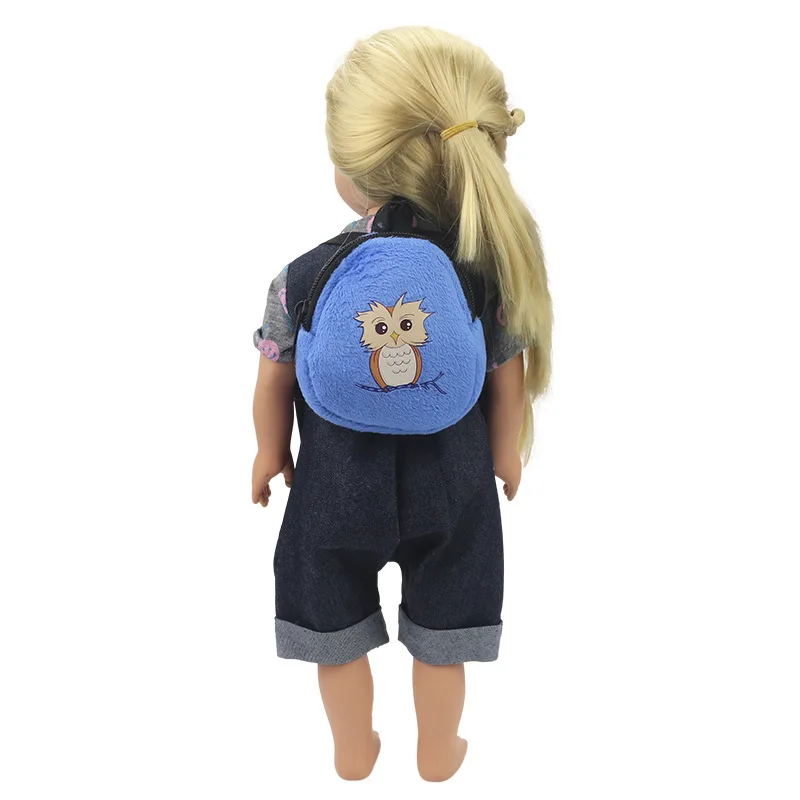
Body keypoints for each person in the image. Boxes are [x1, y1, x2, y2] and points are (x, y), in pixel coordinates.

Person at [251, 26, 552, 782]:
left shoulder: (303, 276)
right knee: (444, 632)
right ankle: (438, 749)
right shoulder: (482, 273)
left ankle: (354, 748)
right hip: (453, 483)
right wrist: (505, 452)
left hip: (332, 485)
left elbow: (274, 377)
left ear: (351, 170)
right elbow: (506, 373)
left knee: (336, 628)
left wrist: (268, 452)